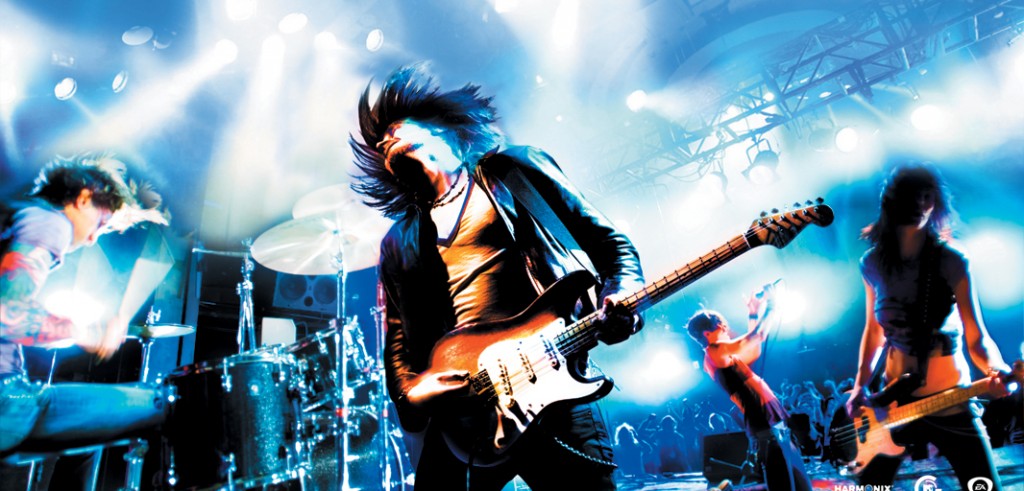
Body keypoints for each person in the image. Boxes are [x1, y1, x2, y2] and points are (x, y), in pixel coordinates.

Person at [350, 65, 645, 490]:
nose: (386, 140)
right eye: (381, 143)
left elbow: (609, 243)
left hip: (550, 381)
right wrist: (413, 391)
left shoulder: (514, 171)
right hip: (465, 414)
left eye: (396, 128)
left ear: (443, 129)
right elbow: (396, 344)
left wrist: (624, 294)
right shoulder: (399, 242)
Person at [0, 154, 170, 483]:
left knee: (86, 441)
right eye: (100, 224)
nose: (93, 239)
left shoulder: (20, 214)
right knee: (162, 403)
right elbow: (8, 312)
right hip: (9, 401)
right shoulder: (50, 223)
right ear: (83, 198)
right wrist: (82, 332)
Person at [845, 162, 1013, 490]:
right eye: (912, 196)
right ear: (893, 201)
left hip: (951, 401)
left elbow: (976, 335)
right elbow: (874, 332)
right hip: (894, 406)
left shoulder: (952, 259)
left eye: (927, 196)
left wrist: (996, 369)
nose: (920, 204)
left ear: (935, 202)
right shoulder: (872, 263)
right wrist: (859, 386)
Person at [685, 282, 811, 491]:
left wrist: (753, 313)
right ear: (706, 333)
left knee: (801, 484)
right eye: (719, 323)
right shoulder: (714, 351)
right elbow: (757, 337)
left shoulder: (721, 355)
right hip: (764, 424)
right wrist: (771, 304)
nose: (725, 326)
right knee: (784, 485)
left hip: (773, 422)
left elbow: (753, 348)